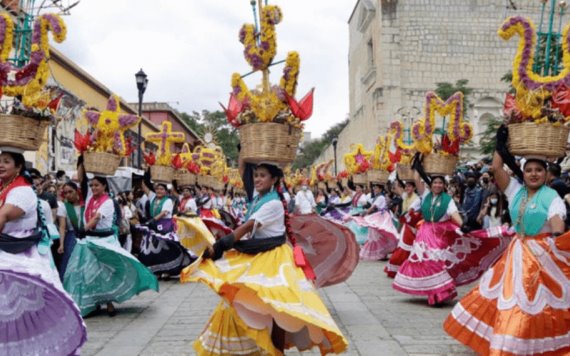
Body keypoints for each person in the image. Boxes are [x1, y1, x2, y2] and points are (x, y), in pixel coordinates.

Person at [182, 162, 347, 354]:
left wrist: (220, 246)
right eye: (256, 175)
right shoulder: (259, 199)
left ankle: (276, 351)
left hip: (274, 259)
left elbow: (246, 227)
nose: (257, 179)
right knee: (255, 306)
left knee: (276, 308)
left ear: (274, 179)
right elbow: (244, 171)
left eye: (262, 175)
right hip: (260, 255)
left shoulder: (274, 203)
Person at [444, 128, 570, 354]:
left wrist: (556, 236)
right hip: (516, 254)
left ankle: (520, 345)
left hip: (541, 259)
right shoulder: (515, 191)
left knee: (532, 304)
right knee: (509, 300)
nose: (533, 174)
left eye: (538, 171)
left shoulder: (552, 198)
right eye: (529, 170)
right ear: (523, 173)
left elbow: (557, 225)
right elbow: (496, 168)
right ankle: (511, 343)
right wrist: (500, 143)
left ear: (546, 174)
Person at [0, 151, 86, 354]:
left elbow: (3, 215)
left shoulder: (22, 192)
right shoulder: (5, 188)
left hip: (20, 258)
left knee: (26, 316)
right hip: (7, 256)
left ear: (19, 166)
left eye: (6, 161)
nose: (1, 165)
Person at [393, 161, 509, 305]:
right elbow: (417, 179)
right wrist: (418, 164)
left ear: (444, 186)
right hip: (425, 232)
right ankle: (433, 292)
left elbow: (454, 213)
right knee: (426, 262)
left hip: (440, 234)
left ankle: (440, 293)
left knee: (437, 262)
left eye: (440, 183)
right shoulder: (425, 195)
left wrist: (463, 225)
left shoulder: (448, 200)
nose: (437, 185)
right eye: (435, 182)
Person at [63, 161, 158, 317]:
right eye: (92, 186)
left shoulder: (107, 202)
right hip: (90, 241)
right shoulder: (90, 199)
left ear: (104, 187)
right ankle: (92, 303)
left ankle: (109, 302)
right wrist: (82, 160)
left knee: (106, 272)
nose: (93, 188)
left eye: (97, 186)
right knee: (88, 273)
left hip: (105, 241)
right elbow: (82, 181)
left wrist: (83, 229)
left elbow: (96, 218)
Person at [138, 182, 193, 279]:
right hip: (154, 226)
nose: (159, 191)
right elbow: (146, 190)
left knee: (166, 249)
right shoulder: (152, 199)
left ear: (166, 191)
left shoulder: (168, 201)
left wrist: (153, 219)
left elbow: (164, 213)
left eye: (162, 189)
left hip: (165, 227)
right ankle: (157, 271)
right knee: (154, 250)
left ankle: (168, 271)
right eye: (157, 189)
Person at [357, 183, 399, 260]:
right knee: (376, 235)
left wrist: (365, 213)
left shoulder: (380, 197)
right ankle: (381, 254)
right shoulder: (377, 197)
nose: (374, 189)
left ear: (380, 189)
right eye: (374, 188)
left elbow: (373, 207)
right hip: (378, 216)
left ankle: (382, 253)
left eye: (376, 188)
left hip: (381, 217)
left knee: (380, 235)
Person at [56, 181, 83, 280]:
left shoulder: (84, 204)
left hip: (86, 236)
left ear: (76, 191)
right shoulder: (64, 206)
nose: (68, 195)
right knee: (69, 263)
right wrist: (61, 244)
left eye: (70, 192)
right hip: (72, 237)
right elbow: (62, 227)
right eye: (65, 193)